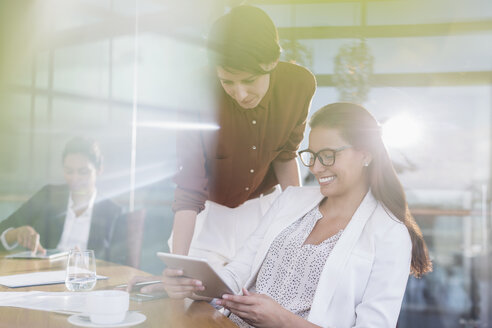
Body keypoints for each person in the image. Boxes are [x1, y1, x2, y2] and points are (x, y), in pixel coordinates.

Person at [158, 103, 432, 327]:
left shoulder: (390, 234)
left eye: (327, 155)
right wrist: (194, 285)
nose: (315, 167)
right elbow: (239, 271)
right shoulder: (291, 200)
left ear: (366, 154)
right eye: (311, 155)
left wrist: (282, 320)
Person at [170, 5, 316, 268]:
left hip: (265, 210)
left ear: (272, 62)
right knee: (193, 296)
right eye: (228, 82)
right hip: (206, 216)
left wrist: (297, 224)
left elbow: (285, 156)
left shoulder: (299, 85)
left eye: (249, 80)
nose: (240, 94)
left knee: (257, 302)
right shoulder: (195, 89)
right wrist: (177, 266)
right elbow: (189, 186)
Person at [0, 137, 126, 263]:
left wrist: (86, 263)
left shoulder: (113, 212)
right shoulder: (48, 196)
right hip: (42, 275)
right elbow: (3, 229)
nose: (75, 178)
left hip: (87, 279)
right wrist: (16, 234)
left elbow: (120, 265)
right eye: (69, 171)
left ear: (99, 170)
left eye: (83, 172)